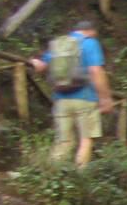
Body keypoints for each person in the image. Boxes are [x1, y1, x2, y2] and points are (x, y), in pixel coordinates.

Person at [29, 20, 112, 168]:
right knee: (85, 139)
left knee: (64, 142)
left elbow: (41, 66)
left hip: (61, 99)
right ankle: (80, 176)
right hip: (85, 99)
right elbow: (96, 71)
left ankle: (52, 178)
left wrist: (34, 61)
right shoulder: (90, 43)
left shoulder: (60, 44)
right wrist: (105, 98)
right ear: (91, 31)